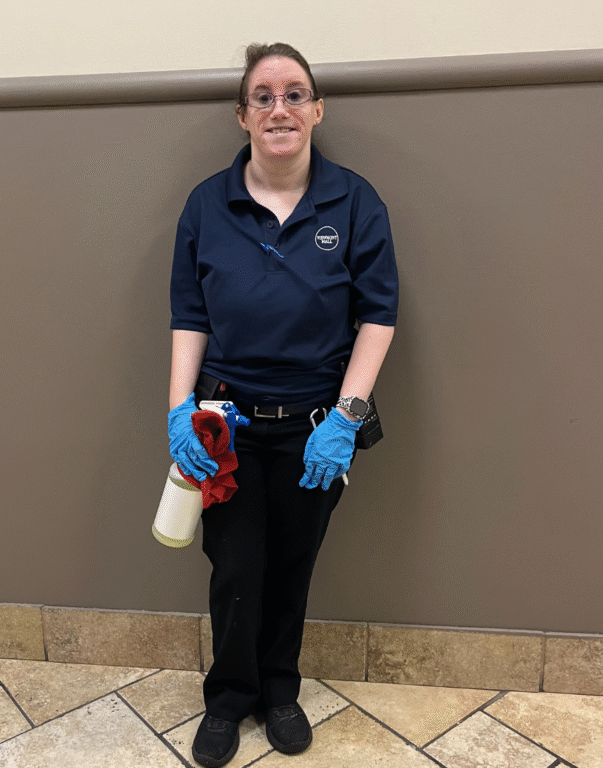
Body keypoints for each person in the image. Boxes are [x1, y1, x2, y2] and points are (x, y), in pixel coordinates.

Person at [168, 42, 398, 767]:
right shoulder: (208, 204)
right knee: (236, 567)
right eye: (263, 96)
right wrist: (179, 409)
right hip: (226, 426)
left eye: (295, 94)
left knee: (293, 564)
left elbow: (379, 316)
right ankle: (229, 698)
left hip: (315, 428)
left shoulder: (355, 201)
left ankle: (279, 690)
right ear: (242, 115)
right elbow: (189, 316)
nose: (280, 108)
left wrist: (346, 417)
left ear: (317, 110)